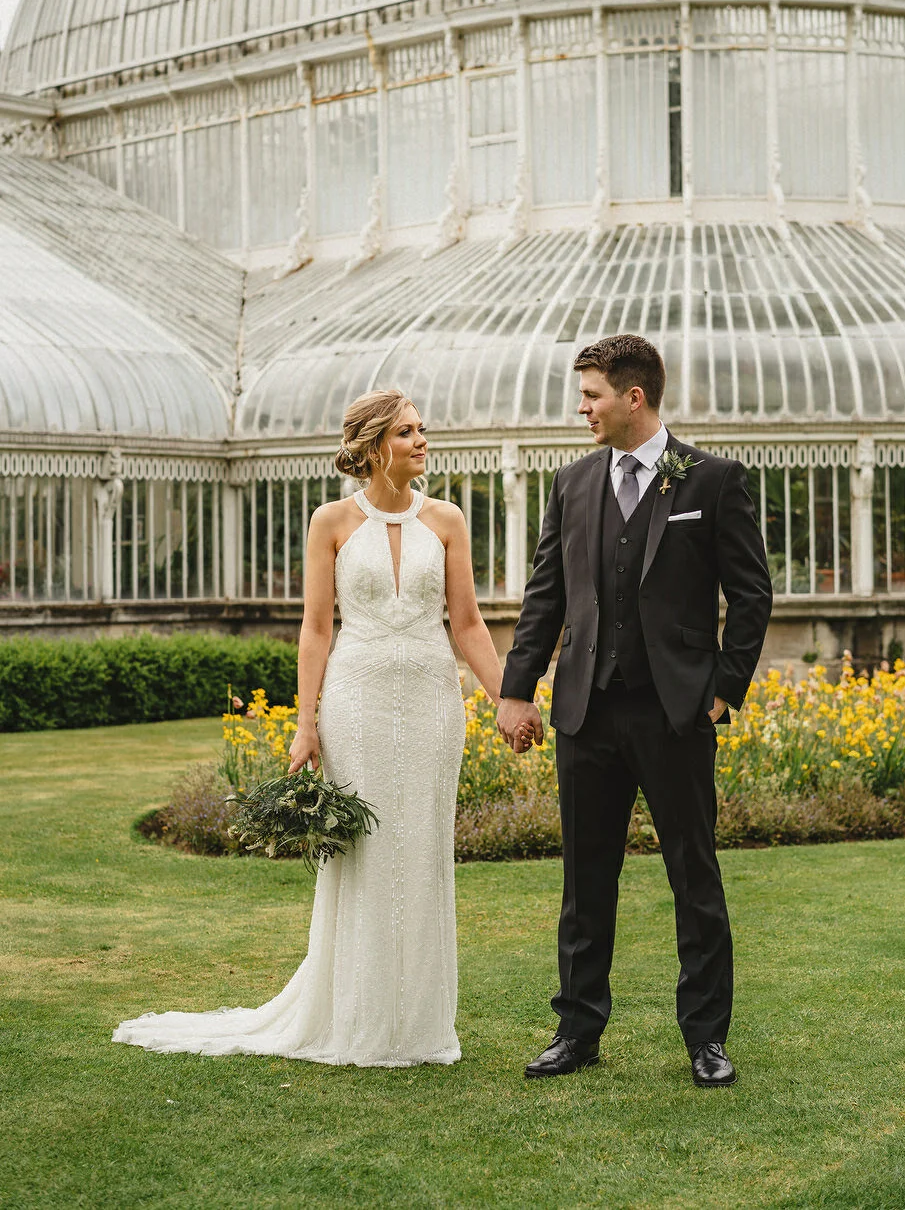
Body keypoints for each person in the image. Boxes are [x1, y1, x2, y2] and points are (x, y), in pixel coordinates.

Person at [114, 389, 505, 1067]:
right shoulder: (329, 521)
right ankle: (355, 1016)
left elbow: (468, 625)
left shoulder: (447, 520)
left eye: (423, 430)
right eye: (407, 432)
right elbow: (317, 630)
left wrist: (508, 700)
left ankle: (418, 1027)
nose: (422, 440)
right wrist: (306, 725)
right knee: (364, 853)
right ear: (376, 445)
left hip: (433, 702)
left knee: (421, 854)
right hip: (355, 698)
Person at [497, 335, 772, 1088]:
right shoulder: (573, 482)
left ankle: (706, 1039)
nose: (581, 408)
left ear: (634, 398)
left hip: (676, 713)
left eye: (590, 396)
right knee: (586, 884)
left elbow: (751, 594)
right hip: (585, 710)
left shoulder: (710, 480)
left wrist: (725, 686)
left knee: (695, 876)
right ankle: (577, 1030)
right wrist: (517, 689)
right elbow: (545, 596)